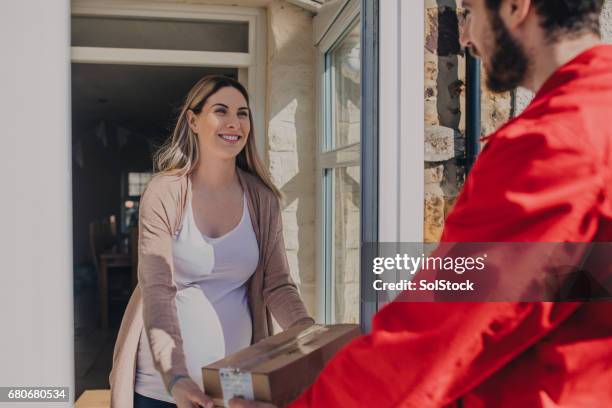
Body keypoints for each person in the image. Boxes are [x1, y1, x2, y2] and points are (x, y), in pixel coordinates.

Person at [231, 0, 612, 406]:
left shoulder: (553, 142)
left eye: (468, 12)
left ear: (516, 7)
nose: (463, 36)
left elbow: (438, 335)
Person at [109, 75, 314, 408]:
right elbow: (157, 290)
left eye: (242, 113)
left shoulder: (262, 199)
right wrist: (176, 377)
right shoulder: (165, 192)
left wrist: (308, 334)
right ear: (193, 120)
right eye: (221, 111)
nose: (234, 122)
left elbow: (277, 285)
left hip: (233, 387)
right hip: (164, 388)